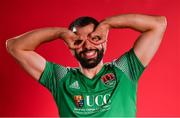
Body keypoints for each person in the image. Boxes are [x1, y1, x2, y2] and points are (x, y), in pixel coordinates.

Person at [6, 14, 167, 117]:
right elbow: (14, 46)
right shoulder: (61, 78)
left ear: (104, 42)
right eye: (78, 41)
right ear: (71, 49)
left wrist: (108, 24)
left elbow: (158, 24)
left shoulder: (125, 70)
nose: (87, 46)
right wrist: (60, 33)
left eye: (94, 38)